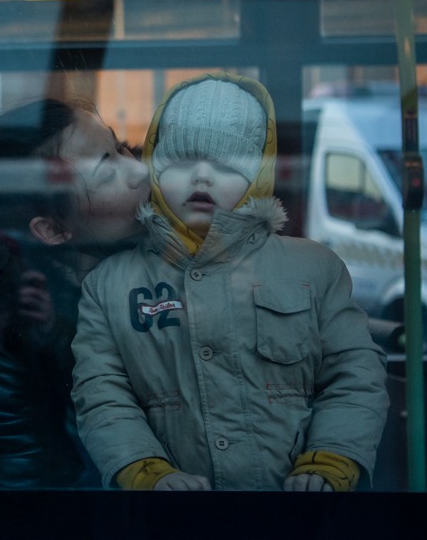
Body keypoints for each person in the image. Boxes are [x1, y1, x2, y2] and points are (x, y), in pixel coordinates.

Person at [71, 71, 390, 491]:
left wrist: (331, 460)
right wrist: (144, 471)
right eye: (181, 161)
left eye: (226, 164)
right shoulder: (110, 284)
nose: (201, 177)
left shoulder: (314, 268)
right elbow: (102, 392)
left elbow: (355, 375)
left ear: (258, 175)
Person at [0, 98, 150, 489]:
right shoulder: (21, 327)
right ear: (53, 230)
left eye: (120, 146)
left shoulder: (104, 283)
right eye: (107, 170)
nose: (139, 170)